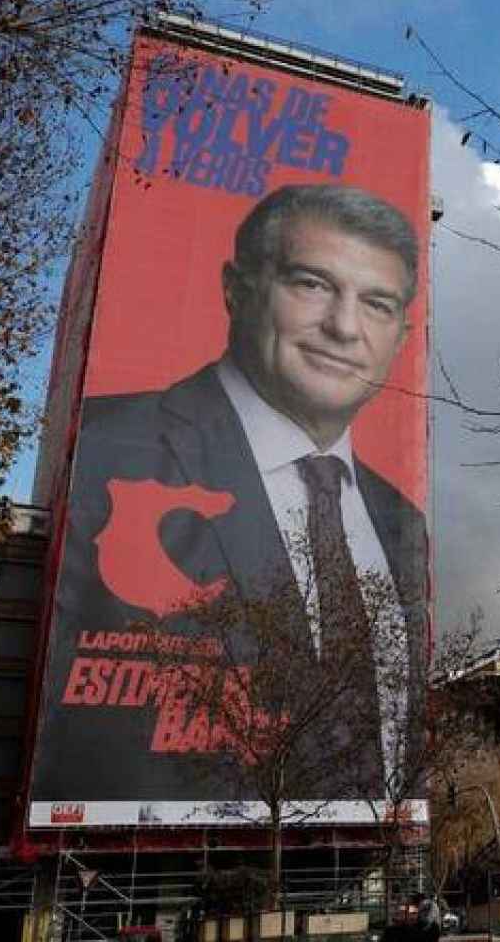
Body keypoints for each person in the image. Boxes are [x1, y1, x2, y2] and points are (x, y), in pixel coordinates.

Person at [31, 184, 429, 804]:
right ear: (236, 290)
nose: (344, 328)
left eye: (376, 303)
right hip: (149, 857)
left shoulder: (400, 519)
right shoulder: (108, 445)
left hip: (365, 851)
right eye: (311, 284)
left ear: (401, 337)